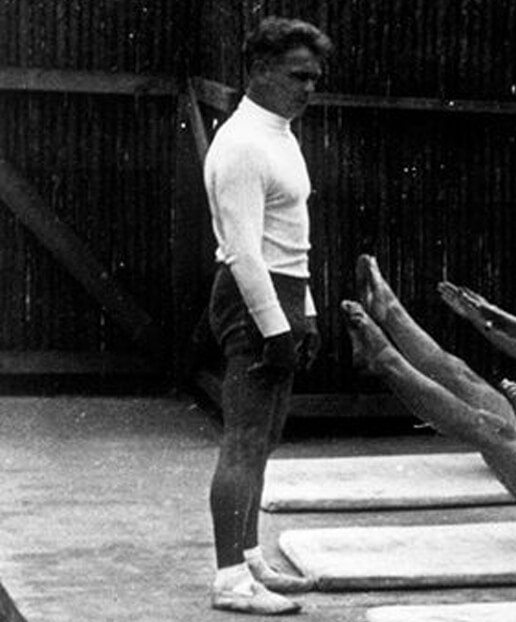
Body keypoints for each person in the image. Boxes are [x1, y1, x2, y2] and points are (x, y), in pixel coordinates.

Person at [339, 258, 516, 549]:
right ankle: (390, 313)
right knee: (458, 374)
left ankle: (386, 360)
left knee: (483, 422)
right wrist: (482, 319)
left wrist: (483, 318)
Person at [202, 16, 331, 615]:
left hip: (283, 293)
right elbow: (247, 251)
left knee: (266, 438)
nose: (309, 87)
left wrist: (303, 311)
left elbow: (291, 240)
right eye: (297, 75)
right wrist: (276, 328)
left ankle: (250, 557)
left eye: (315, 77)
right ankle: (230, 580)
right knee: (243, 440)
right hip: (252, 296)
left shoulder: (281, 133)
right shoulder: (240, 143)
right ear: (258, 70)